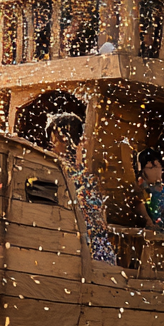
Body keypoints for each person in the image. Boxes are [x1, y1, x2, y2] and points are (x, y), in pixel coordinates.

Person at [45, 113, 116, 265]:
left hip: (83, 251)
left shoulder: (78, 177)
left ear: (68, 141)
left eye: (56, 140)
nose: (52, 145)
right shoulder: (70, 173)